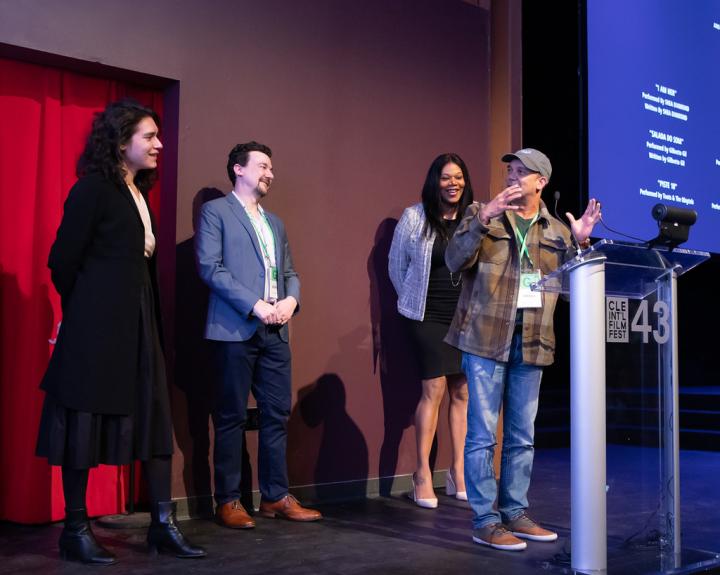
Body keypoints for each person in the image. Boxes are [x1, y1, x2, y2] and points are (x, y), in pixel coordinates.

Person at [36, 99, 206, 564]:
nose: (159, 144)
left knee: (153, 418)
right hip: (97, 327)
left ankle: (162, 525)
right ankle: (75, 528)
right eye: (149, 136)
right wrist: (86, 312)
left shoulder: (138, 194)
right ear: (119, 140)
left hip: (139, 324)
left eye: (158, 136)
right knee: (83, 422)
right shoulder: (93, 190)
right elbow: (62, 261)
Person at [445, 148, 601, 551]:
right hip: (484, 339)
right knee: (481, 436)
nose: (513, 177)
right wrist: (481, 219)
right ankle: (485, 520)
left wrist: (580, 248)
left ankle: (515, 512)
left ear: (540, 182)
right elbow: (453, 259)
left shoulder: (556, 231)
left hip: (532, 342)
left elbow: (571, 294)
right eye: (510, 170)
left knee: (522, 436)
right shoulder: (485, 213)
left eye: (522, 172)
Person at [195, 141, 321, 528]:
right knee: (231, 417)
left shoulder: (275, 222)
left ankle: (275, 496)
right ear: (239, 169)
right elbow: (210, 268)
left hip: (276, 333)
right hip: (235, 329)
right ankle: (229, 500)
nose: (270, 173)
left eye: (271, 167)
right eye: (263, 166)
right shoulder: (216, 212)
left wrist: (290, 302)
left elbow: (291, 272)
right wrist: (255, 304)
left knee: (275, 416)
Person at [388, 153, 474, 508]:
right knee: (434, 388)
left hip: (465, 317)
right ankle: (421, 473)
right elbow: (396, 266)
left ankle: (458, 471)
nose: (452, 183)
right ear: (434, 181)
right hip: (426, 314)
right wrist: (410, 299)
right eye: (445, 177)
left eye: (458, 177)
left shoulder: (474, 218)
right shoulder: (414, 217)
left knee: (462, 392)